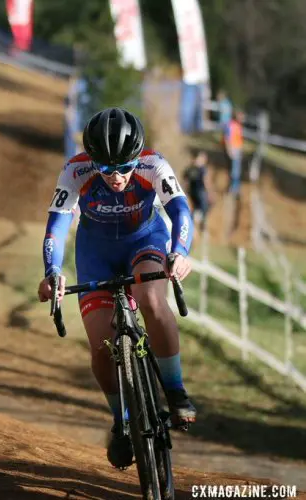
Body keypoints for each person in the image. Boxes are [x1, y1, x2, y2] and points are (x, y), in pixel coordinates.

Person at [36, 108, 197, 469]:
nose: (118, 176)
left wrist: (180, 253)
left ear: (137, 157)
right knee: (99, 347)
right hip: (96, 252)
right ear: (93, 162)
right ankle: (121, 420)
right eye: (107, 169)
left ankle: (175, 390)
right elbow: (57, 227)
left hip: (145, 241)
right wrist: (52, 271)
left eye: (125, 167)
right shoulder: (75, 170)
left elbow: (181, 211)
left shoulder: (153, 164)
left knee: (152, 301)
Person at [183, 150, 213, 231]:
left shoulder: (189, 169)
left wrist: (185, 193)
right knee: (205, 208)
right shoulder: (202, 169)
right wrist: (210, 193)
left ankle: (193, 226)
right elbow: (205, 181)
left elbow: (185, 182)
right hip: (201, 192)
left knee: (193, 210)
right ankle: (202, 225)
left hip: (191, 193)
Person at [223, 110, 244, 195]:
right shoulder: (231, 125)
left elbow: (239, 139)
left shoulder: (238, 126)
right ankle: (233, 188)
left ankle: (235, 187)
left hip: (237, 149)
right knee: (235, 170)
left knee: (236, 169)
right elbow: (227, 138)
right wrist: (229, 150)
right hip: (233, 149)